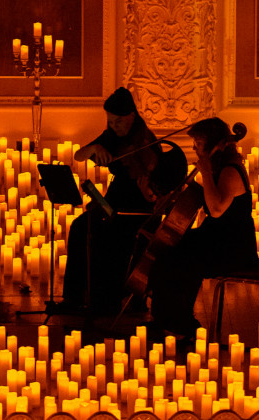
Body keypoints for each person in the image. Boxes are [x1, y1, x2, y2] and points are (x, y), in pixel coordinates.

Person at [62, 87, 183, 314]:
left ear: (131, 116)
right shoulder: (111, 135)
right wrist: (95, 147)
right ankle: (75, 297)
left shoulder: (145, 141)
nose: (114, 126)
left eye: (118, 121)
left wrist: (147, 187)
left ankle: (105, 299)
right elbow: (79, 155)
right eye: (110, 121)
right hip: (114, 202)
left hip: (137, 208)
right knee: (79, 227)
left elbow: (154, 192)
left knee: (103, 234)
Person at [147, 118, 256, 336]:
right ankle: (165, 318)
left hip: (232, 248)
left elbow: (216, 209)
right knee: (169, 249)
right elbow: (207, 196)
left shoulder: (230, 171)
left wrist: (205, 172)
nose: (194, 148)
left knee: (182, 258)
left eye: (198, 143)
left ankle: (182, 322)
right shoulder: (220, 167)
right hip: (217, 238)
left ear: (216, 144)